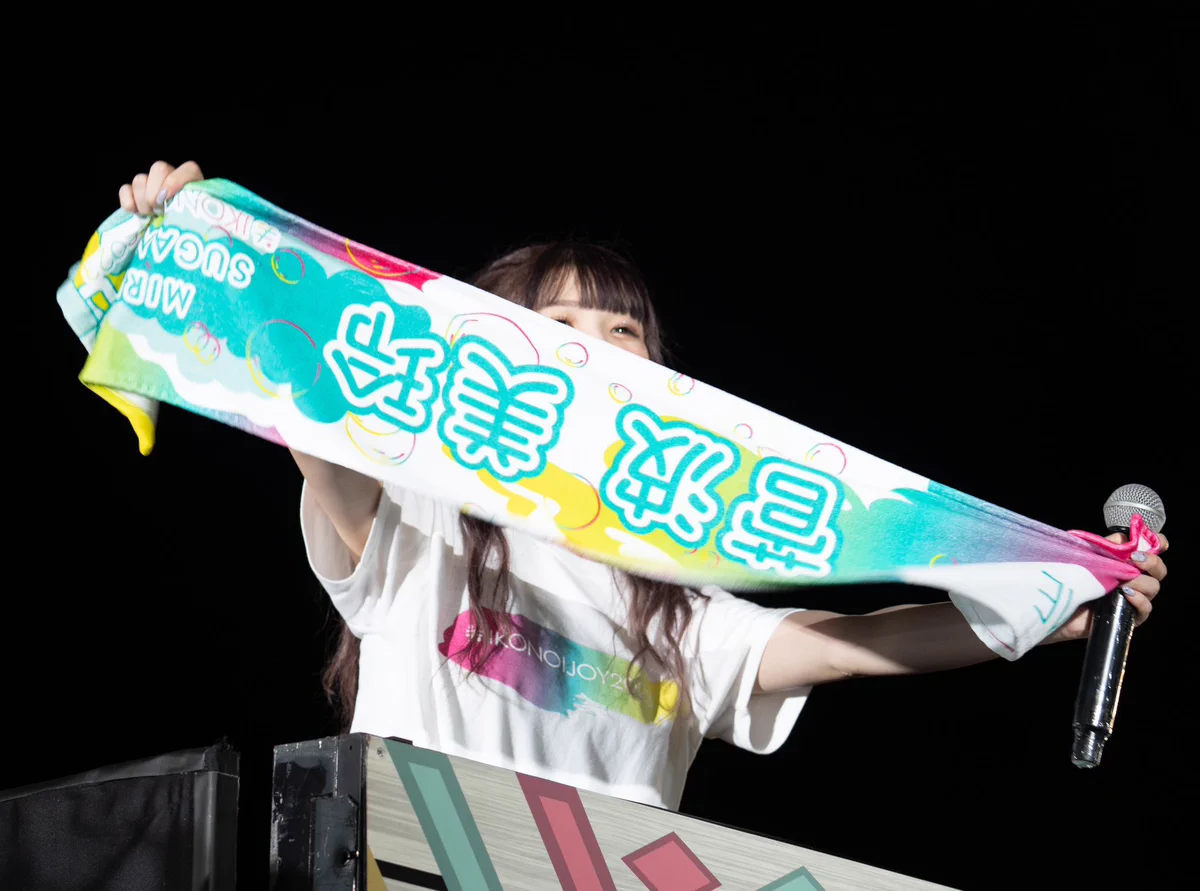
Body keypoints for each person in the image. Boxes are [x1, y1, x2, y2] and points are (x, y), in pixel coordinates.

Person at [117, 161, 1169, 811]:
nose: (598, 348)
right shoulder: (420, 520)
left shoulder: (677, 601)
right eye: (559, 326)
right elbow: (307, 404)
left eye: (625, 331)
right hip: (415, 856)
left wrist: (1048, 607)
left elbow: (850, 646)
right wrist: (201, 246)